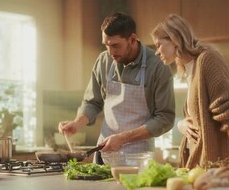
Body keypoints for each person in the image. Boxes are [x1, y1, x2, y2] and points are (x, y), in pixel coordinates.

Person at [150, 14, 229, 178]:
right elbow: (198, 117)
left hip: (213, 167)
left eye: (159, 45)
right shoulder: (189, 68)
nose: (157, 52)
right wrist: (182, 125)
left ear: (175, 39)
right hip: (196, 166)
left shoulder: (208, 60)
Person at [58, 12, 175, 164]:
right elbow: (93, 102)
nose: (110, 52)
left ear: (132, 39)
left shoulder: (158, 66)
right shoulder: (104, 60)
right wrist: (77, 123)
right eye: (106, 45)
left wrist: (123, 138)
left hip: (138, 157)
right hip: (104, 152)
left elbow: (165, 118)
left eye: (115, 46)